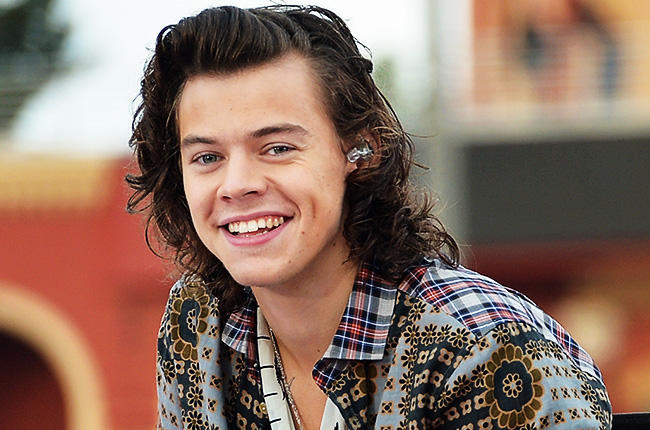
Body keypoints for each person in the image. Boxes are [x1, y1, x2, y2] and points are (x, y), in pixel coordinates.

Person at [126, 5, 612, 430]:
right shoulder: (198, 326)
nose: (237, 184)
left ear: (359, 150)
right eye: (207, 158)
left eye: (277, 148)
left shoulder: (485, 350)